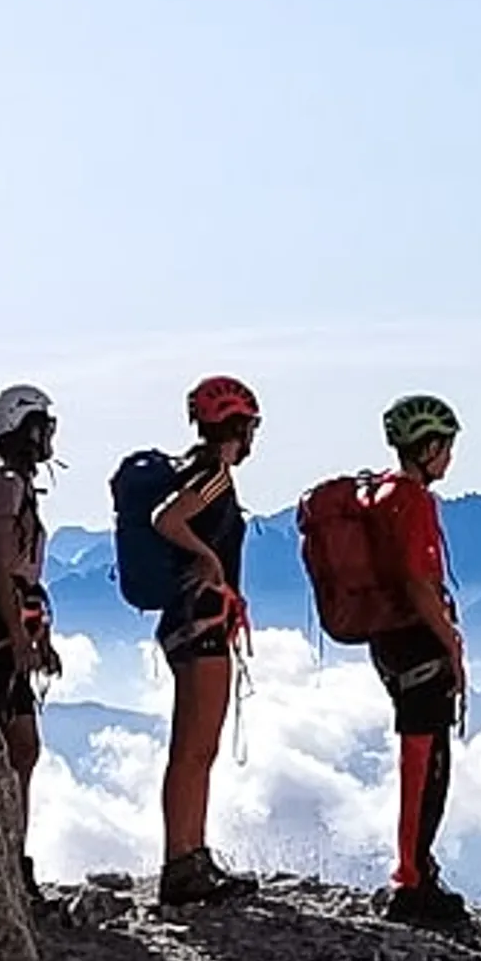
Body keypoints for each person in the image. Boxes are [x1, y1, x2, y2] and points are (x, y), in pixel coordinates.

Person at [153, 374, 264, 909]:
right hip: (201, 623)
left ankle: (190, 857)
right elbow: (168, 519)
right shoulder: (214, 474)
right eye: (250, 427)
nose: (251, 439)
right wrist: (210, 559)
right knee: (196, 750)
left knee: (194, 749)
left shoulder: (190, 466)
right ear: (236, 426)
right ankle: (183, 864)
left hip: (185, 622)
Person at [370, 394, 474, 931]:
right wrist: (451, 644)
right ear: (429, 447)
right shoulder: (412, 501)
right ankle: (411, 880)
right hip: (417, 645)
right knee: (427, 762)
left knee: (420, 758)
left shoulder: (381, 494)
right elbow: (418, 582)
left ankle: (415, 869)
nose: (450, 459)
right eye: (447, 448)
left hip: (389, 644)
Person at [0, 384, 63, 894]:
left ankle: (2, 857)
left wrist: (32, 636)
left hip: (1, 630)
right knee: (20, 749)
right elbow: (0, 565)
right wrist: (17, 636)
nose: (48, 436)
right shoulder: (7, 489)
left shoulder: (10, 485)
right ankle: (7, 861)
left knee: (4, 748)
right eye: (41, 426)